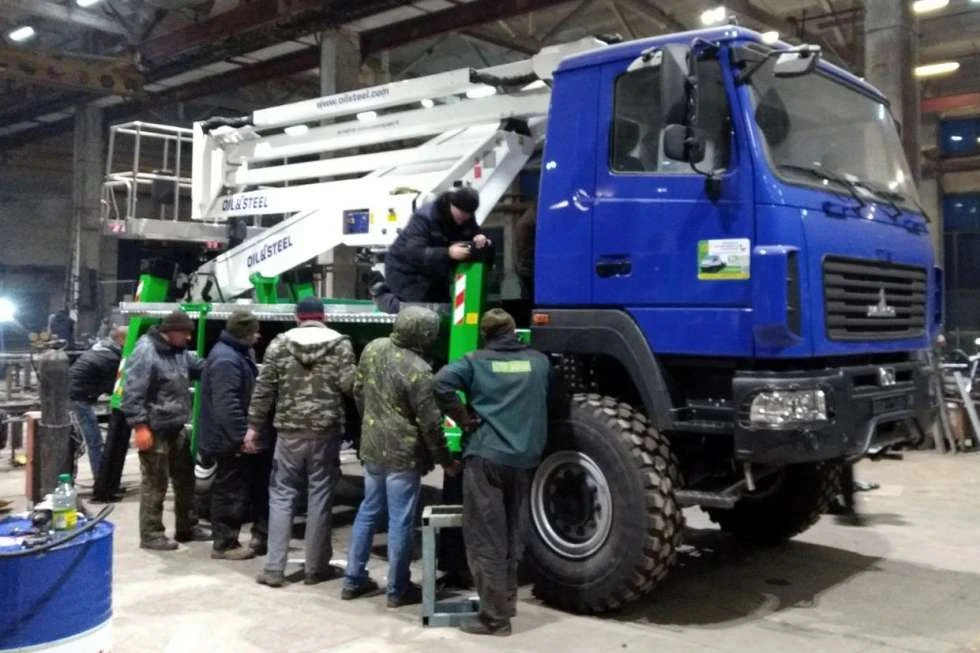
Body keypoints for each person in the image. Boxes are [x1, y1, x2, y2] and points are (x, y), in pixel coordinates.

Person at [433, 309, 553, 637]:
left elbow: (439, 383)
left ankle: (494, 619)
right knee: (513, 535)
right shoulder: (539, 362)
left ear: (485, 335)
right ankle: (506, 603)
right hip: (525, 460)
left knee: (486, 539)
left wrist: (463, 418)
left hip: (486, 459)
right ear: (513, 331)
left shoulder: (474, 362)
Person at [341, 306, 461, 607]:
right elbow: (430, 424)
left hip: (372, 447)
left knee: (369, 510)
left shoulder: (373, 348)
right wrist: (446, 460)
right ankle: (398, 589)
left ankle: (353, 580)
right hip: (402, 455)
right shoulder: (419, 369)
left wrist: (370, 423)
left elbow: (358, 390)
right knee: (400, 521)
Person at [248, 297, 357, 588]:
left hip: (289, 432)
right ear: (324, 317)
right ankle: (316, 568)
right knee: (320, 495)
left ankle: (274, 568)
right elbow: (350, 386)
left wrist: (253, 428)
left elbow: (264, 390)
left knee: (282, 495)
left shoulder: (279, 345)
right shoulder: (340, 344)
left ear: (297, 317)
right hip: (326, 432)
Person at [121, 311, 210, 551]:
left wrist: (221, 363)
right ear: (169, 332)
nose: (189, 338)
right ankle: (151, 534)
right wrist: (140, 426)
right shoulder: (146, 351)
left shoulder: (178, 351)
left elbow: (198, 367)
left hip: (175, 426)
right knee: (155, 483)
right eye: (185, 333)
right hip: (155, 428)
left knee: (186, 479)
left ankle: (187, 526)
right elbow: (132, 392)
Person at [199, 311, 272, 560]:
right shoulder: (226, 360)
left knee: (241, 487)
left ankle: (235, 539)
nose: (258, 335)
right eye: (254, 331)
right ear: (244, 333)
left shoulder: (237, 353)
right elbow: (227, 404)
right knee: (230, 490)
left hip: (231, 437)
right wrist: (242, 437)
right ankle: (224, 544)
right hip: (228, 440)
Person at [372, 186, 492, 313]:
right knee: (413, 311)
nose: (464, 218)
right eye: (462, 213)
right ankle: (381, 296)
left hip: (435, 271)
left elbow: (473, 232)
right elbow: (415, 253)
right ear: (452, 205)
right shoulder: (425, 217)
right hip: (406, 269)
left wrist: (480, 238)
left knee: (442, 311)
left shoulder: (466, 218)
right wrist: (448, 253)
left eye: (468, 215)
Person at [69, 326, 127, 483]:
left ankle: (102, 479)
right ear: (121, 339)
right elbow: (114, 388)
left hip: (74, 394)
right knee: (95, 441)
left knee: (88, 440)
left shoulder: (103, 348)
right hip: (78, 398)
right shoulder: (111, 359)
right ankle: (101, 481)